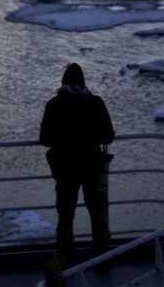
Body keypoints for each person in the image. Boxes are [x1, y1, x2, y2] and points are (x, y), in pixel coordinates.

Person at [39, 63, 115, 262]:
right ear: (83, 82)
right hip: (93, 167)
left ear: (63, 82)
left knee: (65, 216)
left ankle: (65, 257)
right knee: (99, 215)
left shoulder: (54, 105)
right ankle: (103, 255)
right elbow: (108, 135)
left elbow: (45, 138)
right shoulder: (96, 103)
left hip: (65, 169)